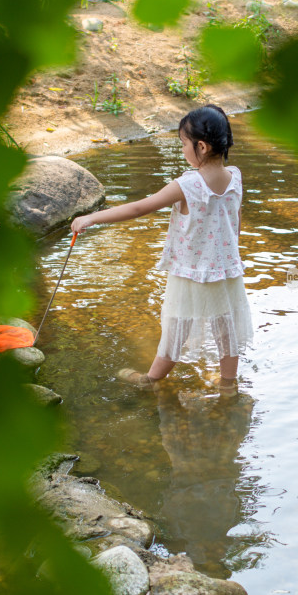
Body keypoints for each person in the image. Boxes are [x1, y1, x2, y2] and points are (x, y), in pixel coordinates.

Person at [71, 104, 254, 396]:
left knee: (177, 326)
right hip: (226, 269)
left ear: (202, 147)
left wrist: (91, 217)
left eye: (183, 144)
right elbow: (236, 216)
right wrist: (232, 254)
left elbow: (139, 207)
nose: (183, 150)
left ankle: (152, 379)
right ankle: (228, 386)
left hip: (189, 272)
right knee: (226, 327)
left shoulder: (188, 184)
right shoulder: (235, 176)